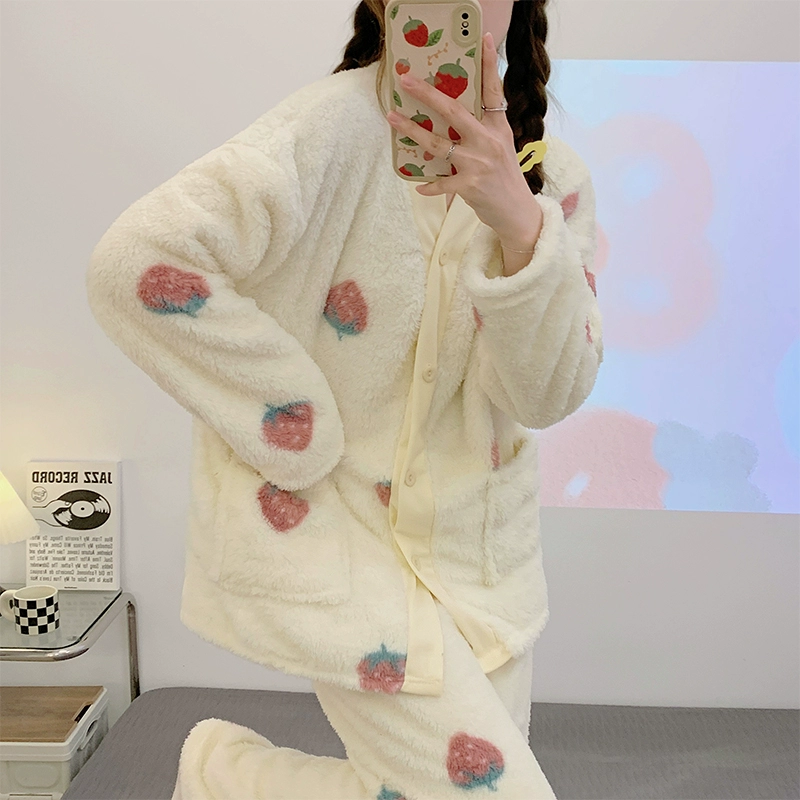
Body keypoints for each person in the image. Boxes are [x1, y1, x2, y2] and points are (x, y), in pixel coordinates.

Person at [85, 0, 603, 797]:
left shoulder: (554, 181)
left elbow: (546, 395)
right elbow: (137, 263)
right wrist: (291, 419)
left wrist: (517, 223)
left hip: (480, 566)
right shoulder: (327, 131)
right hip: (341, 545)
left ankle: (226, 779)